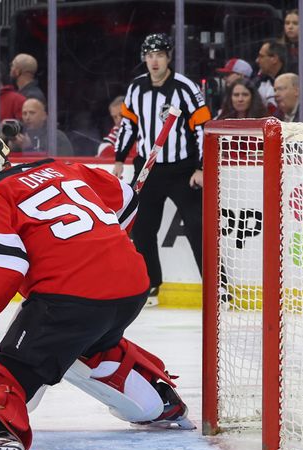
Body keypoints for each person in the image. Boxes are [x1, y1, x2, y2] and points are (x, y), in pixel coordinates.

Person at [0, 128, 193, 450]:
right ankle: (157, 400)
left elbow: (0, 263)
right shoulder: (62, 167)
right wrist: (98, 250)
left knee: (8, 368)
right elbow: (125, 200)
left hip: (71, 295)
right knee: (87, 349)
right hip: (132, 286)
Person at [113, 33, 210, 307]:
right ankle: (151, 285)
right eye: (150, 55)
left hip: (183, 170)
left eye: (160, 55)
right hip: (148, 169)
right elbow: (129, 125)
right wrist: (120, 158)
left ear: (168, 58)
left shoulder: (185, 87)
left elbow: (202, 128)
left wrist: (201, 167)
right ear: (144, 58)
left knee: (197, 226)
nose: (154, 61)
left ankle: (217, 287)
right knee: (142, 229)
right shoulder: (136, 88)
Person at [4, 97, 73, 156]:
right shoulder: (19, 135)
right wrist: (12, 146)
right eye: (24, 113)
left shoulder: (56, 137)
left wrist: (29, 149)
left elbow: (65, 164)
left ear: (44, 116)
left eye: (32, 113)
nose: (27, 117)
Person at [254, 39, 286, 115]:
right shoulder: (258, 82)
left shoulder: (298, 80)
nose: (257, 60)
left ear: (274, 59)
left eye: (261, 56)